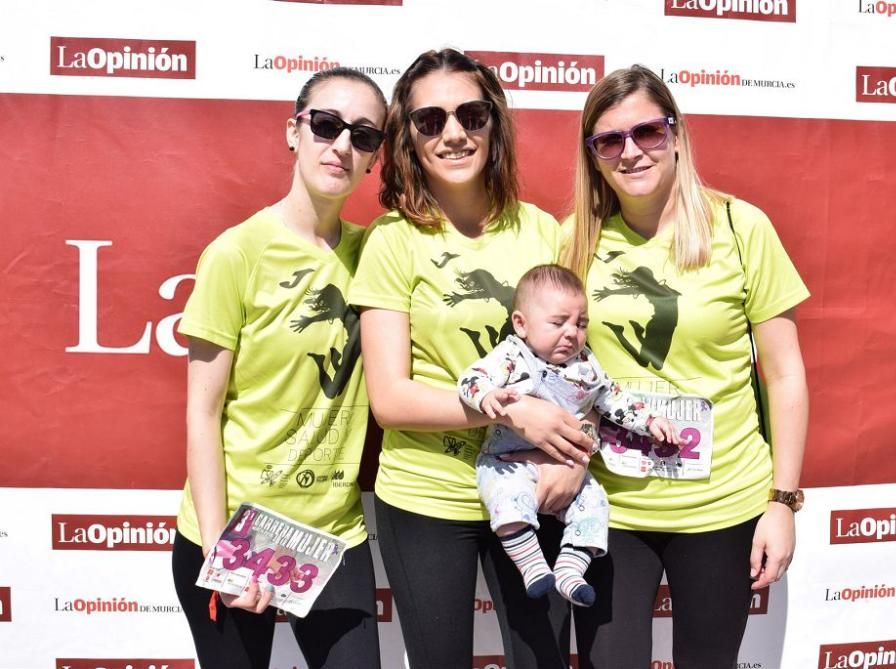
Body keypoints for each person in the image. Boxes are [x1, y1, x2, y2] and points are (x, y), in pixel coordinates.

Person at [350, 49, 592, 669]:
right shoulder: (391, 241)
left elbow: (585, 370)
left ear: (496, 123)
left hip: (538, 489)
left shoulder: (545, 232)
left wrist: (577, 451)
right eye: (430, 120)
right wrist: (515, 415)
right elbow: (391, 399)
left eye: (471, 114)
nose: (454, 133)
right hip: (429, 499)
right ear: (408, 136)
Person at [565, 65, 810, 669]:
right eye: (609, 140)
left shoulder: (740, 227)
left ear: (676, 135)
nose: (631, 152)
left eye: (647, 131)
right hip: (610, 507)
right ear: (593, 156)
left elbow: (784, 374)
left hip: (723, 506)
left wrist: (783, 500)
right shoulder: (574, 240)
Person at [171, 67, 387, 669]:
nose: (342, 145)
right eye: (326, 125)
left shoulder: (375, 253)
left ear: (374, 158)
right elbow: (202, 412)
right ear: (294, 131)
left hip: (332, 537)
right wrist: (221, 555)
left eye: (364, 136)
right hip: (233, 530)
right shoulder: (235, 252)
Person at [458, 263, 681, 608]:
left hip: (566, 465)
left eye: (580, 324)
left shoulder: (586, 364)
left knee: (595, 504)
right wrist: (486, 396)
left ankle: (569, 569)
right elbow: (470, 380)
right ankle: (531, 564)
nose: (571, 333)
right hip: (508, 463)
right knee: (507, 498)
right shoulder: (512, 356)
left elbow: (612, 397)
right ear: (521, 324)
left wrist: (649, 420)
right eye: (558, 322)